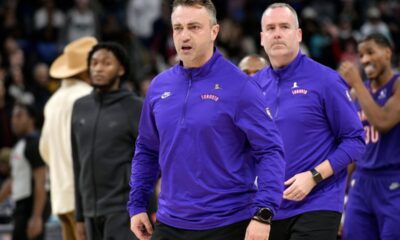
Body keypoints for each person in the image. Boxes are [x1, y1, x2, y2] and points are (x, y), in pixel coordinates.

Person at [128, 1, 285, 240]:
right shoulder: (159, 86)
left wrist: (264, 212)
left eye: (194, 27)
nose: (184, 36)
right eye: (178, 28)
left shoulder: (240, 86)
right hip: (169, 223)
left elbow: (270, 151)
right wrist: (138, 204)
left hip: (228, 223)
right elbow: (147, 150)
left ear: (214, 31)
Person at [253, 3, 365, 240]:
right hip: (268, 209)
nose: (277, 33)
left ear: (299, 34)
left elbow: (355, 141)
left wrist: (314, 176)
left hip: (317, 202)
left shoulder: (326, 80)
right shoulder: (252, 87)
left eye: (285, 26)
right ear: (262, 38)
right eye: (271, 28)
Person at [71, 42, 142, 240]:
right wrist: (79, 217)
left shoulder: (135, 107)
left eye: (106, 63)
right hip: (89, 213)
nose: (98, 68)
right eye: (93, 63)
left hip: (124, 210)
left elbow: (154, 158)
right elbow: (78, 165)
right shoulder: (80, 107)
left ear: (121, 69)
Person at [339, 33, 400, 240]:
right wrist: (342, 194)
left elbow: (383, 122)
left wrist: (356, 82)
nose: (364, 60)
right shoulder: (358, 94)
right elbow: (354, 144)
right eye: (361, 54)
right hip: (361, 181)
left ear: (387, 53)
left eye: (370, 52)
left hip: (393, 181)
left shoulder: (397, 86)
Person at [39, 36, 97, 240]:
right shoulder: (90, 96)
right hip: (87, 200)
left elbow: (44, 150)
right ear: (85, 69)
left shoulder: (51, 103)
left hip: (61, 199)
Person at [4, 102, 51, 240]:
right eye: (13, 117)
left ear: (31, 119)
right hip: (21, 207)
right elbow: (13, 180)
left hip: (31, 206)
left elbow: (40, 182)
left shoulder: (34, 143)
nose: (14, 121)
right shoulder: (21, 144)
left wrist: (36, 217)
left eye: (19, 116)